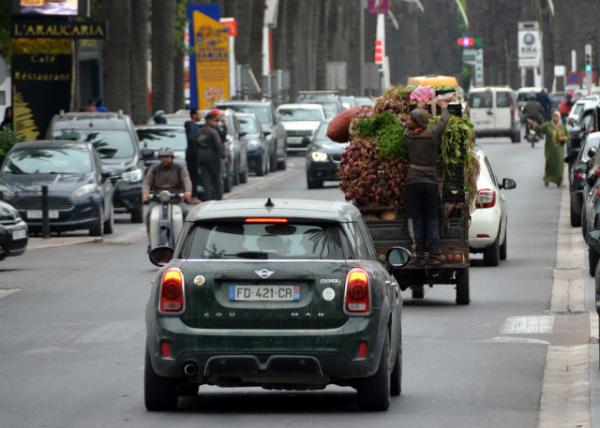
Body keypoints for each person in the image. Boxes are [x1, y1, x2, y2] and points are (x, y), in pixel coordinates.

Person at [404, 99, 450, 266]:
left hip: (413, 183)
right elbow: (444, 122)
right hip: (430, 182)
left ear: (416, 122)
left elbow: (405, 128)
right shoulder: (432, 135)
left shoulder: (408, 136)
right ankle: (434, 253)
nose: (407, 122)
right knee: (431, 218)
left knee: (417, 218)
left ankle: (420, 253)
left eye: (410, 119)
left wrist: (419, 107)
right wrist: (444, 108)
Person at [142, 147, 192, 231]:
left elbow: (186, 180)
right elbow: (146, 182)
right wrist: (145, 193)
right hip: (157, 198)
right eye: (163, 157)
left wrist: (188, 192)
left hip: (176, 198)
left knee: (186, 212)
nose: (165, 159)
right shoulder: (154, 169)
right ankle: (151, 238)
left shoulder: (179, 168)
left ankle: (185, 236)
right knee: (149, 214)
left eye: (167, 157)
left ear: (172, 158)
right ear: (160, 158)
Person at [527, 111, 568, 187]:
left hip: (559, 150)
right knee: (549, 164)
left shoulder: (562, 127)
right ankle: (547, 179)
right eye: (554, 116)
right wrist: (532, 124)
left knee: (559, 165)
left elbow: (567, 136)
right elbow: (539, 128)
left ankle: (559, 181)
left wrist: (564, 138)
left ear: (559, 117)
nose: (555, 118)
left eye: (557, 116)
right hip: (550, 149)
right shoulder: (548, 126)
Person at [197, 111, 226, 200]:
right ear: (208, 121)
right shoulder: (213, 132)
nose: (216, 123)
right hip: (213, 157)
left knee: (206, 179)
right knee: (216, 178)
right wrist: (223, 156)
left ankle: (208, 197)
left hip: (201, 157)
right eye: (215, 121)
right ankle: (219, 197)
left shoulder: (199, 131)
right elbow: (218, 145)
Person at [184, 109, 202, 200]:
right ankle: (193, 195)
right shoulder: (192, 126)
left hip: (191, 154)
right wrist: (198, 144)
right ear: (194, 115)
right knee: (193, 176)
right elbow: (191, 138)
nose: (200, 116)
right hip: (193, 155)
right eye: (199, 114)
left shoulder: (192, 125)